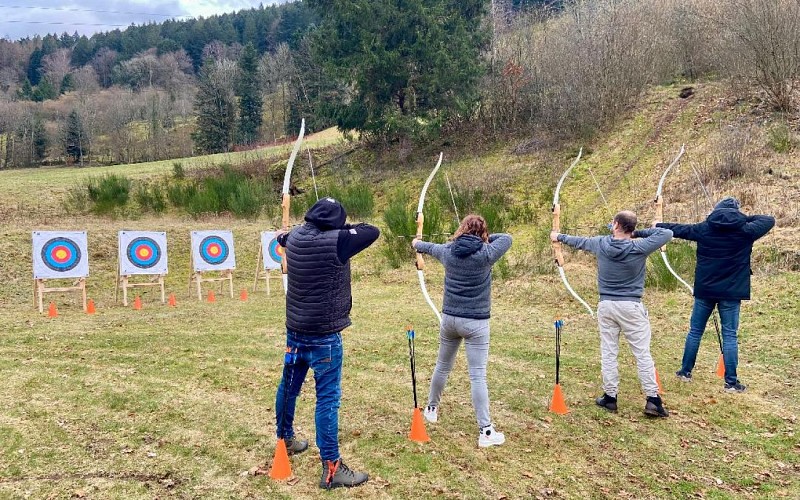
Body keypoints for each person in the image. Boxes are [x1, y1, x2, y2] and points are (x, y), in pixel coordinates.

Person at [274, 197, 379, 489]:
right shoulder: (339, 241)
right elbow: (371, 230)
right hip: (324, 337)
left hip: (295, 331)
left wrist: (293, 229)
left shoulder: (292, 237)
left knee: (289, 388)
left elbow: (282, 236)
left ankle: (284, 440)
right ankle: (332, 468)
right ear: (335, 222)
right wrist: (342, 227)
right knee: (328, 399)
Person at [550, 211, 673, 417]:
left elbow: (579, 242)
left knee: (609, 352)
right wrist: (637, 233)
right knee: (642, 353)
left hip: (606, 305)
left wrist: (558, 237)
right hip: (631, 307)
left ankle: (610, 397)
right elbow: (666, 233)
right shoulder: (639, 246)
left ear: (616, 225)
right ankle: (652, 400)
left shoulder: (601, 243)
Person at [411, 214, 512, 447]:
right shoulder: (487, 252)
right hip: (476, 323)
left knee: (442, 366)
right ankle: (486, 432)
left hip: (450, 320)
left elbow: (421, 245)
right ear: (483, 234)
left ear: (461, 230)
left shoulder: (448, 251)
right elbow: (506, 238)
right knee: (477, 375)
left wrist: (417, 243)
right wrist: (485, 238)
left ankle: (431, 409)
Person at [657, 197, 775, 393]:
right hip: (731, 292)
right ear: (737, 213)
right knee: (730, 335)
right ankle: (731, 382)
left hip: (706, 290)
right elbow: (768, 219)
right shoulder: (746, 230)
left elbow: (678, 229)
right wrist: (742, 218)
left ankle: (685, 372)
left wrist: (658, 225)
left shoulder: (704, 228)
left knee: (695, 331)